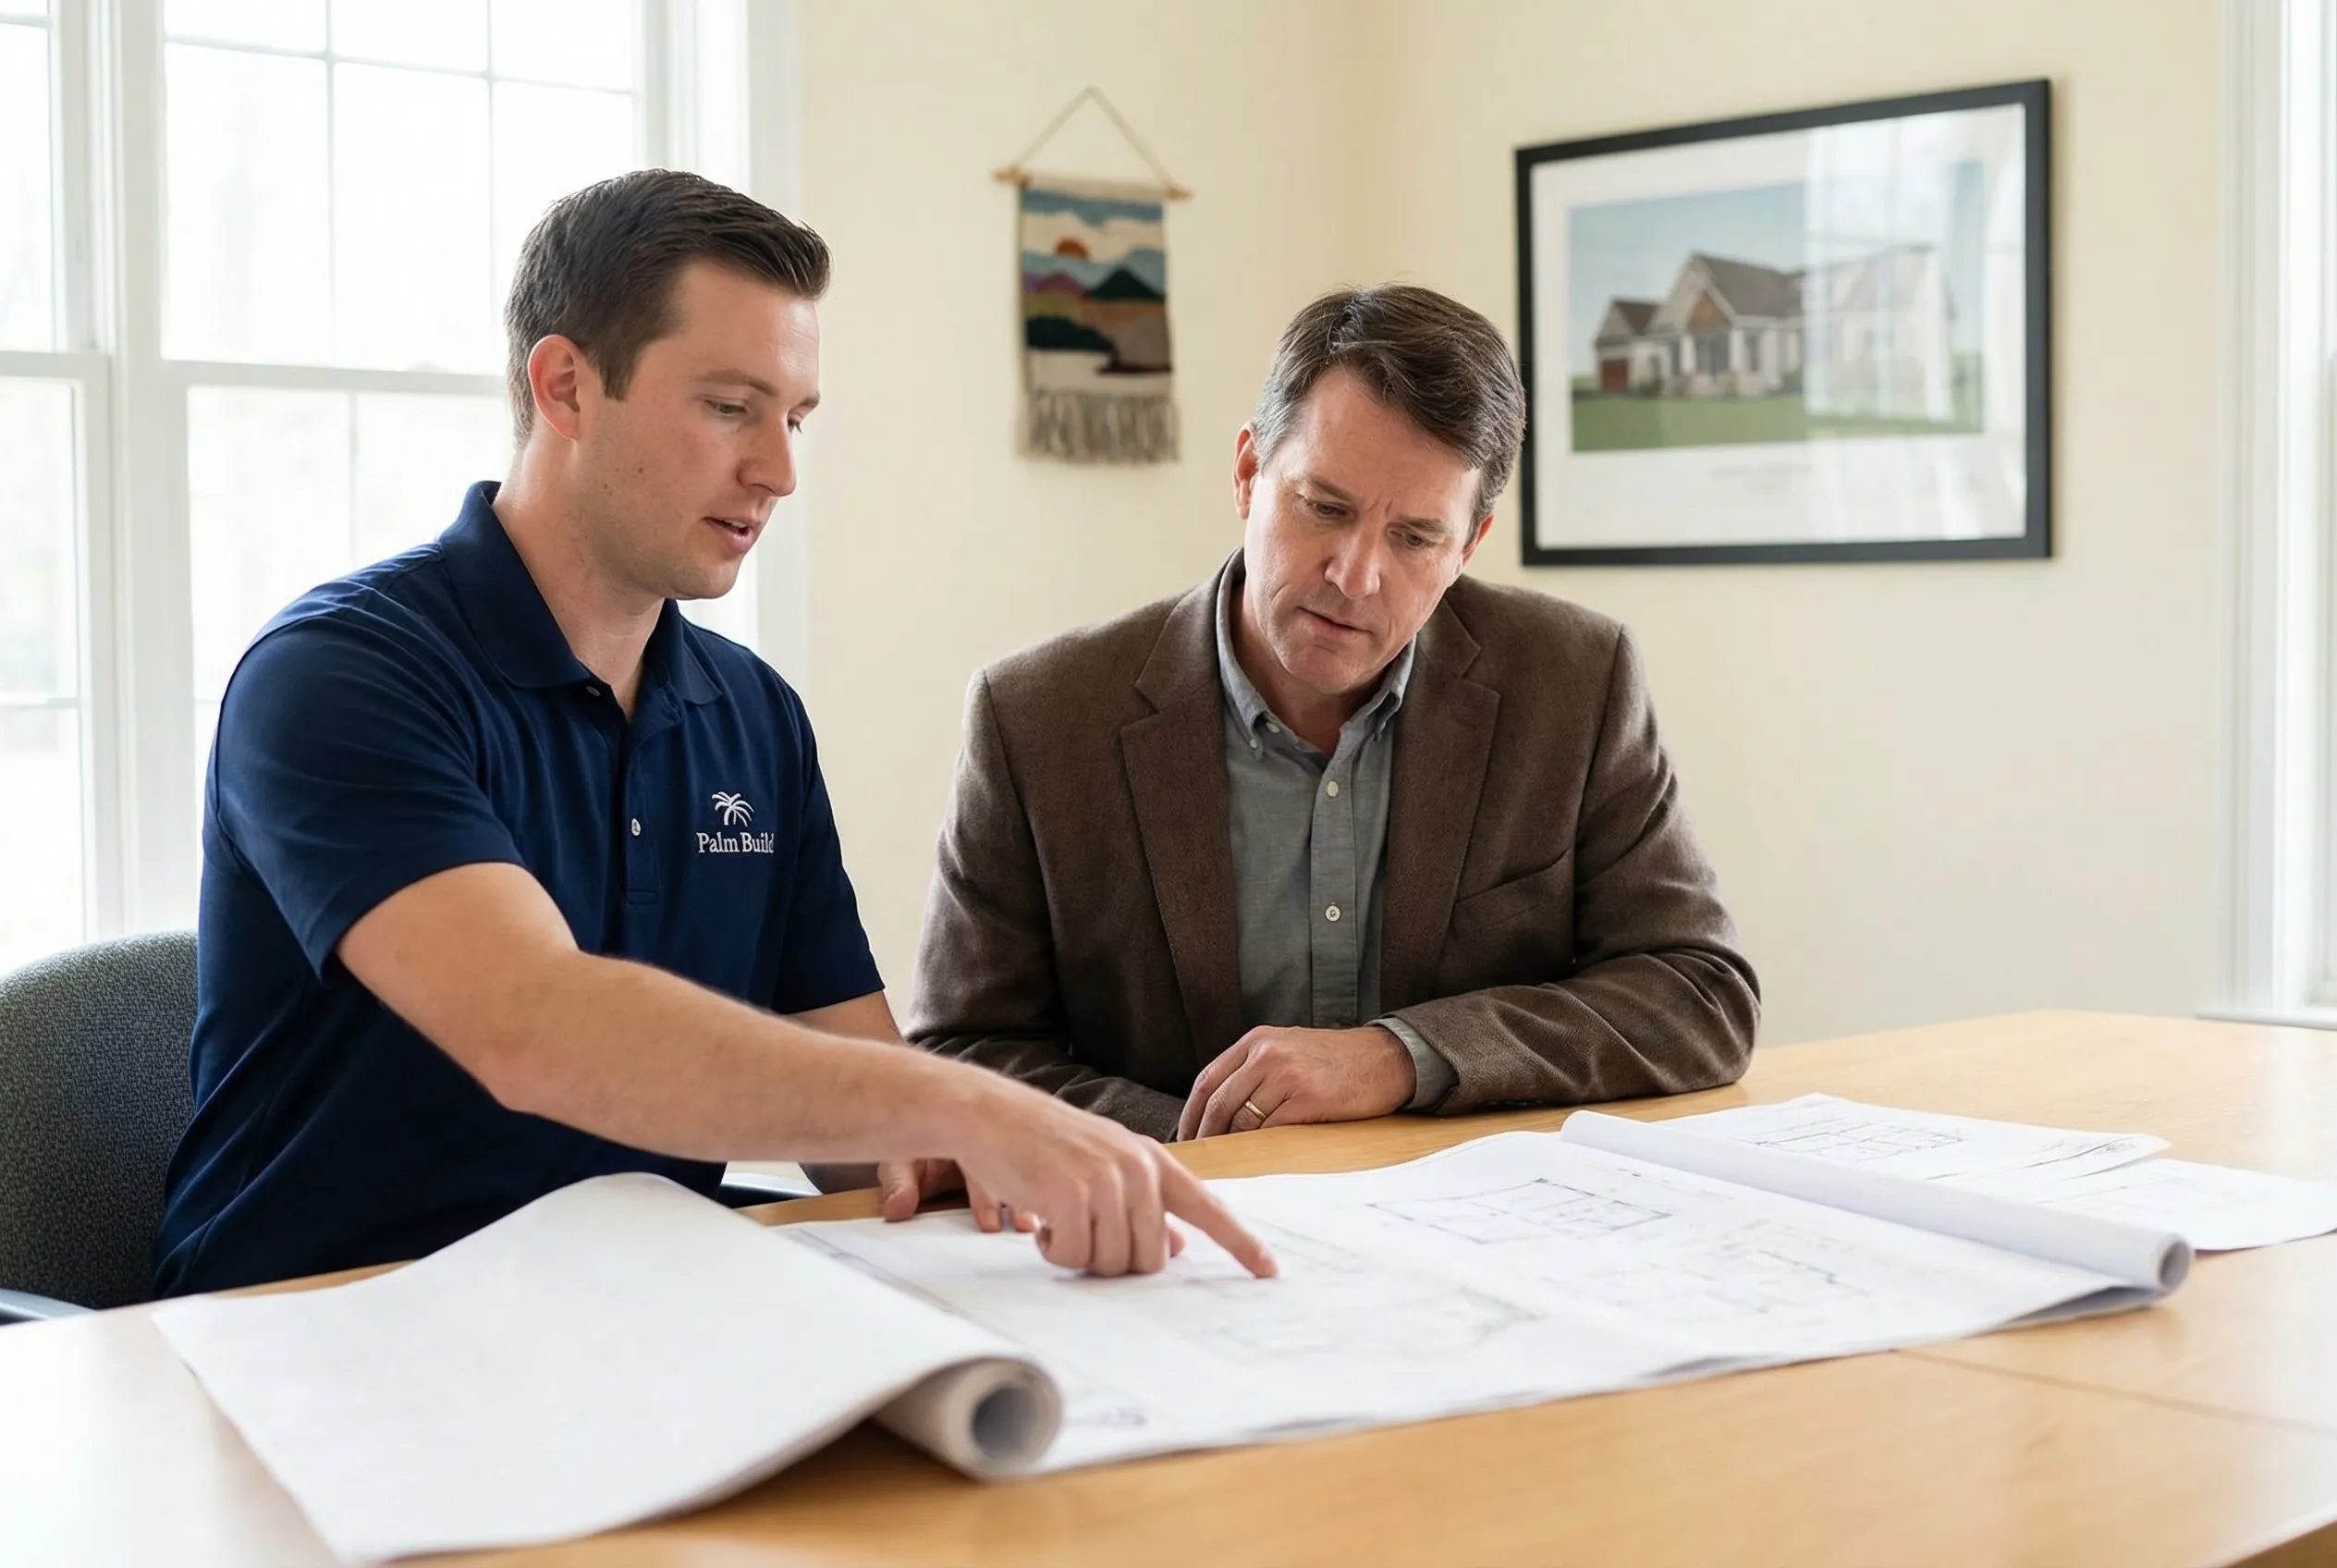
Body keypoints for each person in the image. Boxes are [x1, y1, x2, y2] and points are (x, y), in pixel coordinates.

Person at [153, 171, 1271, 1295]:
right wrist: (968, 1100)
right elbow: (534, 1027)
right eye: (730, 407)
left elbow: (858, 1111)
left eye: (794, 418)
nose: (778, 472)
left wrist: (978, 1160)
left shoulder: (752, 715)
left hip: (628, 1323)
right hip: (315, 1330)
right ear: (566, 386)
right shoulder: (339, 676)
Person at [910, 284, 1758, 1143]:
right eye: (1326, 507)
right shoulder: (1039, 718)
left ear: (1468, 546)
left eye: (1416, 537)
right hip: (1177, 1233)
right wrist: (1214, 1148)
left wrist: (1398, 1056)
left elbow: (1698, 995)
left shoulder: (1574, 681)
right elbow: (963, 1053)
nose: (1356, 575)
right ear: (1248, 474)